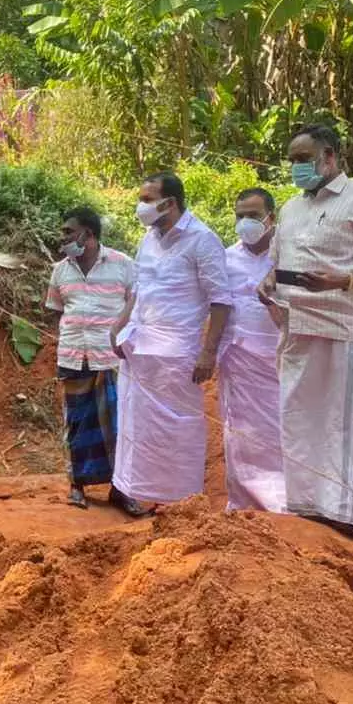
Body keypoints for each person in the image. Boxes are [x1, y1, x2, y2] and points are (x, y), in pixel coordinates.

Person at [259, 124, 353, 538]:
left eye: (303, 159)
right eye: (292, 161)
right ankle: (307, 504)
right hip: (296, 330)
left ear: (331, 157)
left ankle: (344, 512)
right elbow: (276, 264)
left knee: (343, 422)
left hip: (342, 329)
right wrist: (268, 283)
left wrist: (342, 280)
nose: (296, 167)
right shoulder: (289, 209)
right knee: (300, 419)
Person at [110, 172, 232, 507]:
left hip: (178, 355)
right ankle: (142, 498)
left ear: (171, 203)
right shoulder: (148, 238)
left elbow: (221, 300)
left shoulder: (202, 240)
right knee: (139, 431)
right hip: (139, 349)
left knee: (176, 432)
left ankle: (182, 505)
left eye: (147, 199)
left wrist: (208, 353)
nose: (141, 206)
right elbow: (139, 289)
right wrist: (119, 325)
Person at [45, 208, 148, 517]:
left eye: (68, 232)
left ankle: (121, 490)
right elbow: (55, 310)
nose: (62, 238)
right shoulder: (60, 270)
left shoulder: (123, 265)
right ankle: (77, 485)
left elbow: (137, 305)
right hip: (74, 356)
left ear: (87, 235)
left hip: (111, 358)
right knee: (76, 424)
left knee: (117, 425)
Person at [218, 188, 288, 513]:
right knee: (240, 436)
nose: (245, 222)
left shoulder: (287, 257)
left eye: (253, 215)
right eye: (240, 216)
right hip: (239, 363)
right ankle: (243, 504)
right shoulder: (225, 259)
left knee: (282, 434)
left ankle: (284, 505)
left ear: (270, 218)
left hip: (283, 362)